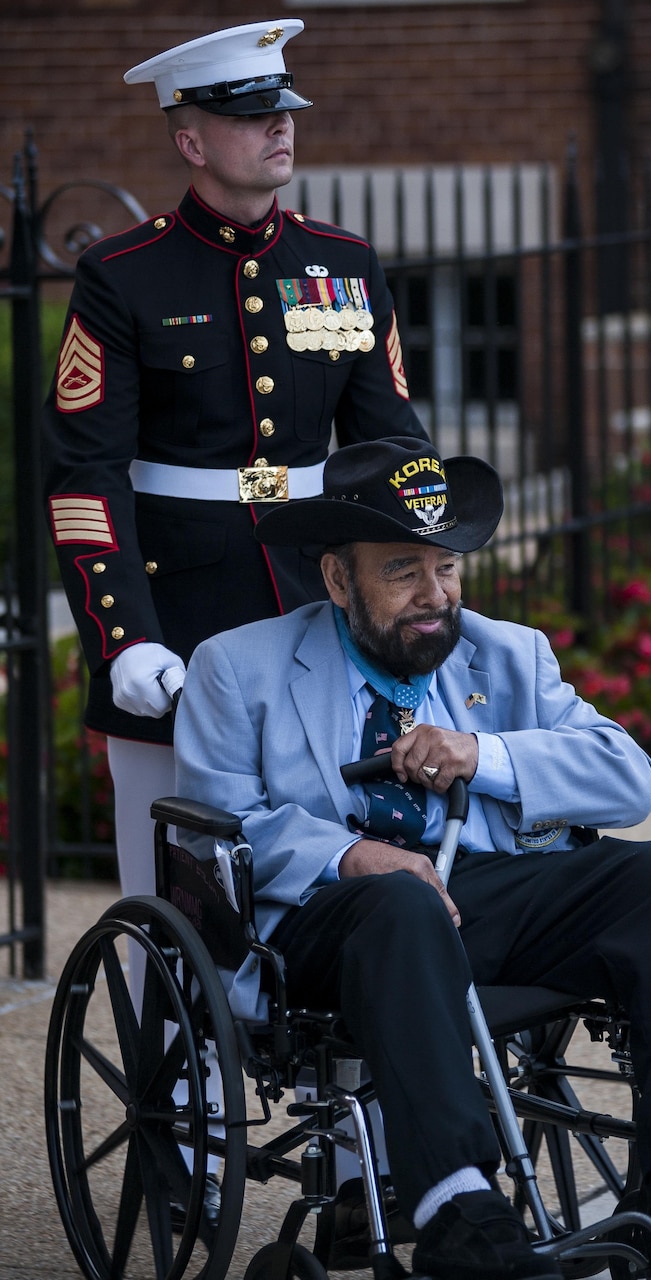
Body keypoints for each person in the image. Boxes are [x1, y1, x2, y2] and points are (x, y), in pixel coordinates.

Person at [173, 436, 651, 1280]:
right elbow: (212, 831)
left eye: (447, 567)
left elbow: (629, 778)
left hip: (478, 896)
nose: (434, 595)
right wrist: (352, 854)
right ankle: (456, 1206)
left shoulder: (508, 653)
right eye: (402, 570)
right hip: (327, 925)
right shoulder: (238, 667)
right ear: (338, 580)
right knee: (401, 901)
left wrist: (486, 753)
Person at [41, 19, 428, 916]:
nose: (279, 127)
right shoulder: (123, 275)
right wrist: (124, 637)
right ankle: (178, 1058)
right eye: (252, 114)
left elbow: (394, 447)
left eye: (283, 109)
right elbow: (84, 476)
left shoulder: (343, 264)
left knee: (336, 858)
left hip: (316, 600)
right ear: (190, 140)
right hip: (179, 609)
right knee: (179, 894)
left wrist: (424, 577)